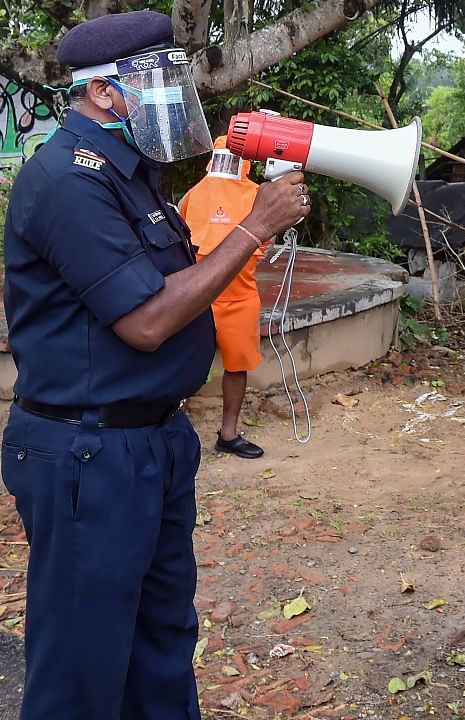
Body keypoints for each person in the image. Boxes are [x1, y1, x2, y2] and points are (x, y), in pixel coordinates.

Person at [0, 11, 307, 719]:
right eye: (158, 82)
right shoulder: (69, 181)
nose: (173, 98)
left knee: (160, 644)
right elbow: (145, 321)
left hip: (147, 443)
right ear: (106, 94)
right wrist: (255, 226)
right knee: (83, 661)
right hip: (89, 450)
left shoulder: (128, 173)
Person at [178, 136, 268, 459]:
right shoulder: (197, 194)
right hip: (199, 298)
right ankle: (170, 425)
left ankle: (228, 434)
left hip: (238, 299)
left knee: (237, 364)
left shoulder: (257, 195)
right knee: (183, 360)